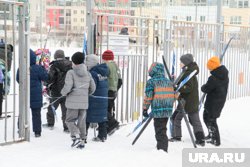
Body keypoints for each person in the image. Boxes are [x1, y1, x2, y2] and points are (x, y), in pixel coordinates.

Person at [61, 52, 96, 149]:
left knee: (69, 120)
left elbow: (67, 87)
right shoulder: (88, 73)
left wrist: (63, 93)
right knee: (82, 121)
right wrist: (85, 94)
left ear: (74, 62)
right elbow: (93, 88)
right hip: (84, 102)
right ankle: (83, 139)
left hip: (72, 103)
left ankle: (76, 135)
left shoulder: (71, 73)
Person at [170, 53, 205, 146]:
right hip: (185, 100)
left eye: (181, 62)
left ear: (186, 63)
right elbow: (182, 83)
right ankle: (177, 136)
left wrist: (178, 87)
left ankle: (200, 139)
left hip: (188, 101)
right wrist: (175, 82)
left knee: (193, 119)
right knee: (177, 117)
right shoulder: (187, 71)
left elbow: (188, 87)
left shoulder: (189, 73)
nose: (179, 63)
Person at [142, 62, 175, 152]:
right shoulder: (169, 82)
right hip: (168, 110)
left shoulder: (151, 82)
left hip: (158, 110)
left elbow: (148, 96)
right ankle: (161, 147)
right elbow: (175, 96)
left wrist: (145, 109)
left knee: (160, 131)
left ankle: (162, 150)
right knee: (162, 129)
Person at [16, 49, 48, 137]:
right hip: (36, 95)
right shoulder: (38, 68)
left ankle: (21, 128)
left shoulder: (21, 68)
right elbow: (45, 77)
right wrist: (43, 68)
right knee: (36, 113)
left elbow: (18, 79)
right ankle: (37, 132)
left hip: (24, 93)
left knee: (22, 112)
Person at [201, 56, 229, 146]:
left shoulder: (213, 78)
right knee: (208, 117)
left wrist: (203, 87)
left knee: (210, 119)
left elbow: (206, 88)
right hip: (219, 101)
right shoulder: (223, 75)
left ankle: (216, 140)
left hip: (213, 102)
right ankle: (211, 135)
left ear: (212, 66)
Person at [44, 49, 72, 132]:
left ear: (55, 56)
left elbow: (50, 79)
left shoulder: (54, 65)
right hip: (67, 91)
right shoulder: (70, 65)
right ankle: (66, 127)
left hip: (55, 91)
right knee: (66, 110)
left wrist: (46, 83)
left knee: (51, 107)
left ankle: (50, 123)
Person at [85, 54, 109, 142]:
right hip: (102, 98)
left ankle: (83, 137)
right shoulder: (103, 72)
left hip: (93, 99)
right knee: (101, 118)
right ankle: (102, 136)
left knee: (86, 118)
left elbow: (91, 87)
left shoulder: (92, 74)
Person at [101, 50, 122, 134]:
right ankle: (108, 127)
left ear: (105, 58)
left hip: (107, 90)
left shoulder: (106, 66)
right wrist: (115, 89)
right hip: (113, 91)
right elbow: (120, 80)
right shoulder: (115, 65)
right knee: (109, 108)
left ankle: (112, 124)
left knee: (103, 108)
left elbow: (103, 78)